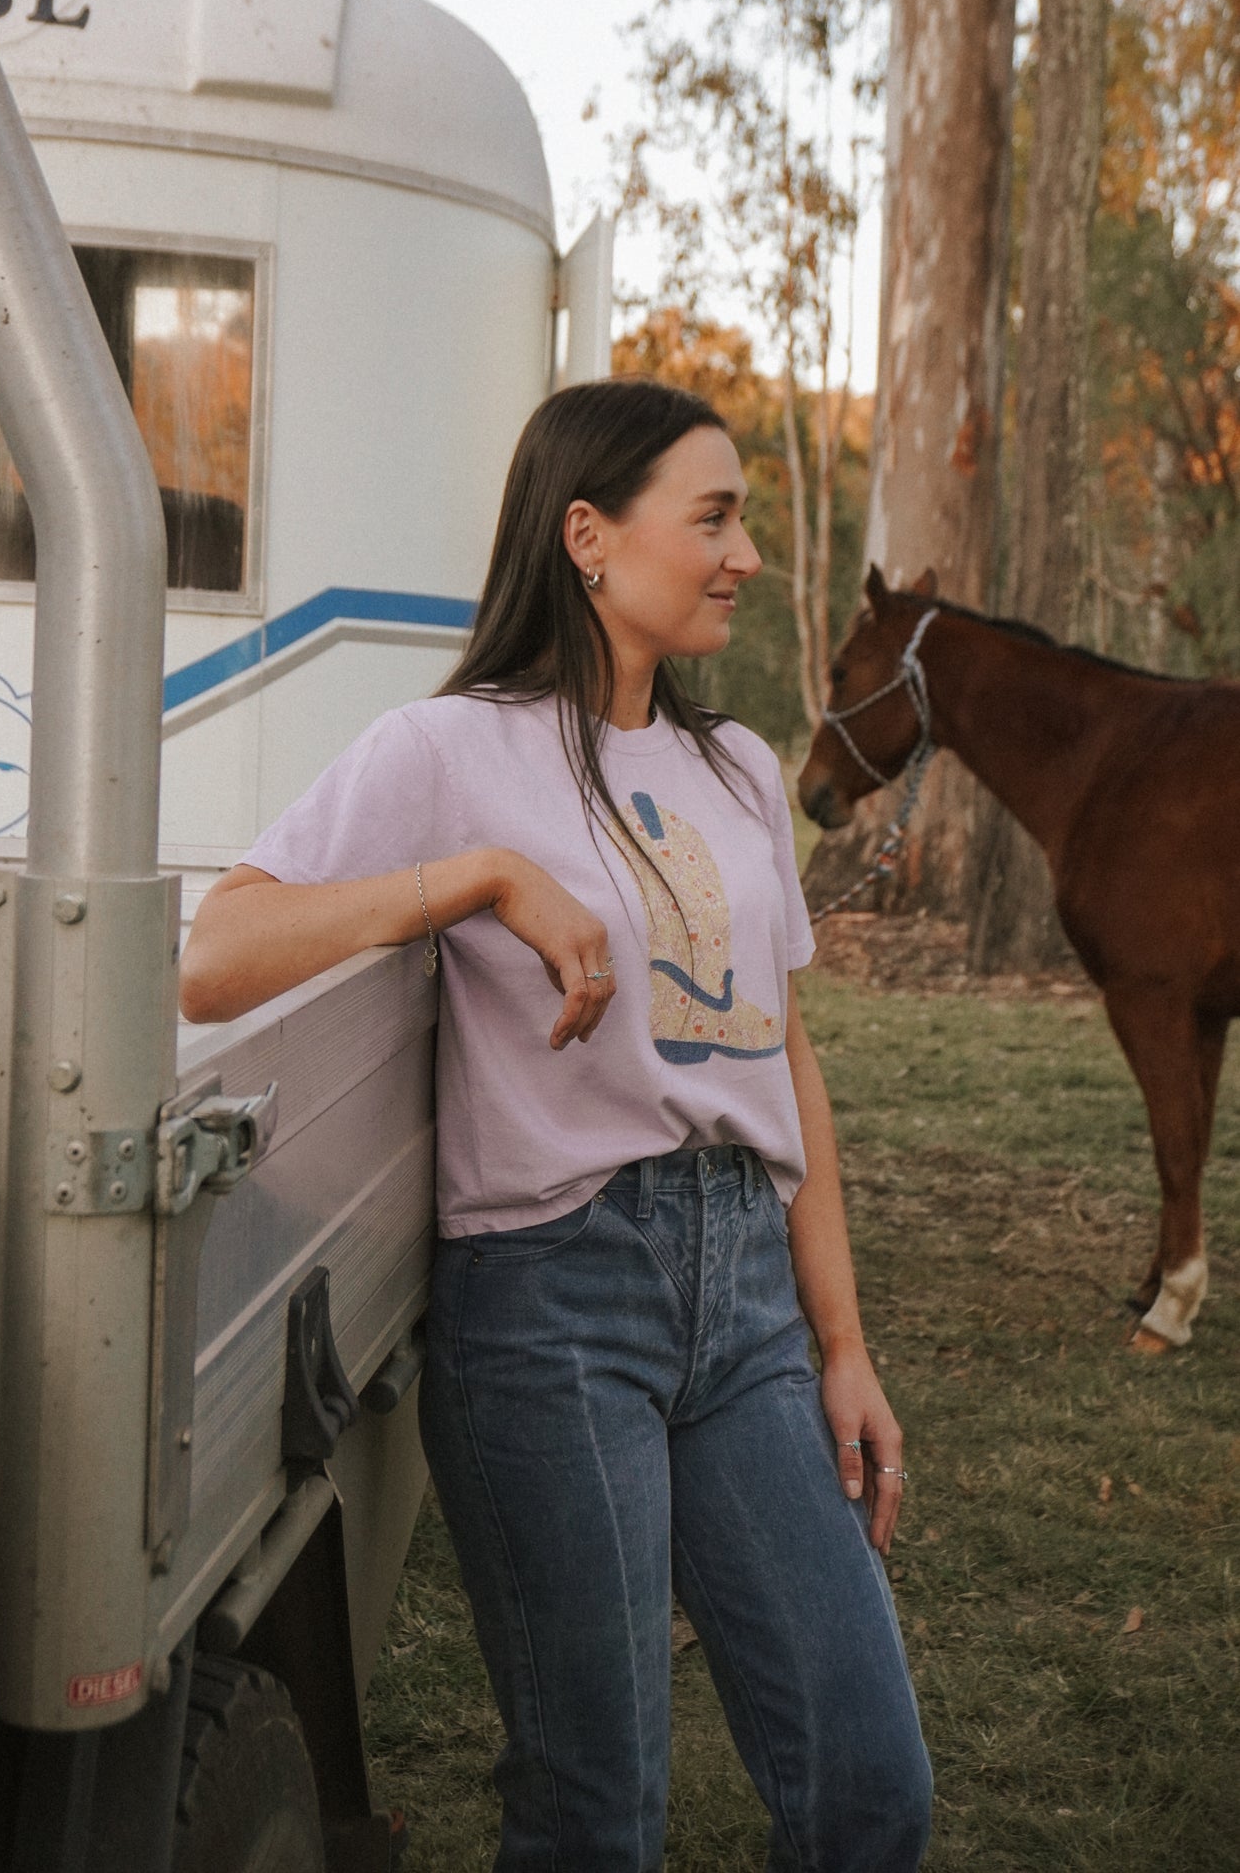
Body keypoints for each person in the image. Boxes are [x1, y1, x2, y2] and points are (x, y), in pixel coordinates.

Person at [180, 379, 932, 1873]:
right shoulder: (445, 751)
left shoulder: (736, 768)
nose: (745, 556)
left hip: (748, 1304)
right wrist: (473, 880)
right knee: (599, 1816)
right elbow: (216, 954)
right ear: (588, 536)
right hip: (554, 1302)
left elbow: (783, 1052)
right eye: (713, 518)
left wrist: (841, 1341)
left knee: (870, 1789)